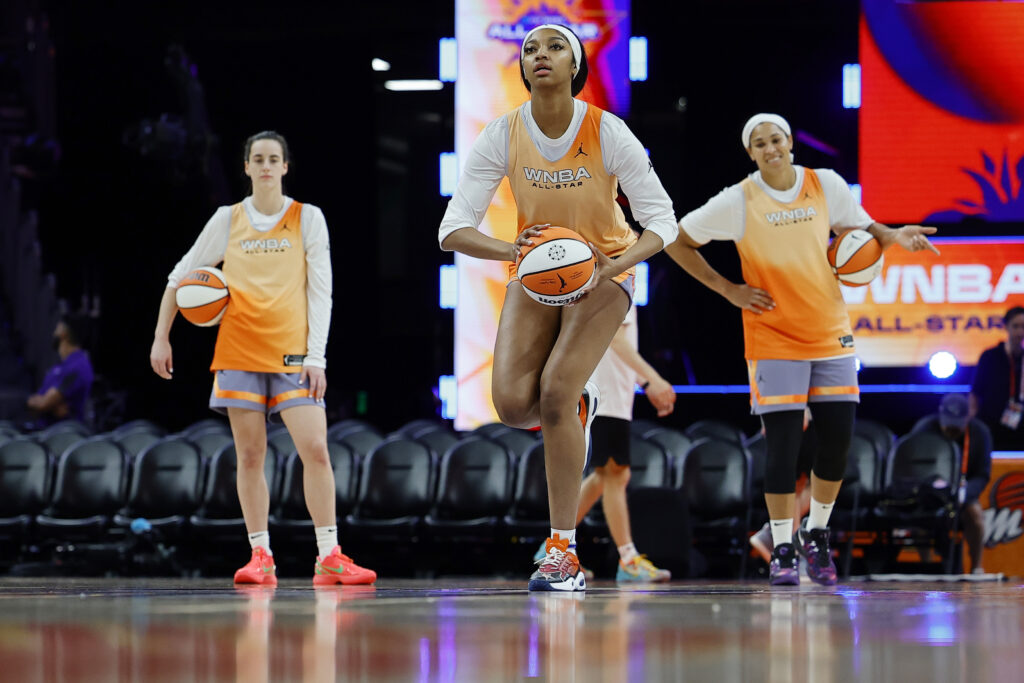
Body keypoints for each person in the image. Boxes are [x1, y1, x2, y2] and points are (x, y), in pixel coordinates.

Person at [438, 25, 678, 591]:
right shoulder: (501, 132)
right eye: (530, 50)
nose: (540, 55)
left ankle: (563, 553)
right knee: (510, 404)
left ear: (576, 65)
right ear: (521, 69)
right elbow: (451, 230)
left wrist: (611, 266)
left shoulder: (606, 129)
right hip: (536, 272)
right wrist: (513, 249)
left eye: (554, 47)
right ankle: (581, 400)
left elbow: (662, 223)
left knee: (554, 394)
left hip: (604, 271)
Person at [664, 113, 939, 586]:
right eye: (760, 143)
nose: (770, 148)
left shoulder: (825, 184)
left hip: (830, 331)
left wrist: (894, 237)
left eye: (776, 139)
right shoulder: (738, 201)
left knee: (836, 443)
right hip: (772, 336)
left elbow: (867, 229)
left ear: (790, 142)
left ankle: (817, 534)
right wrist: (728, 289)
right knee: (785, 450)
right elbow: (677, 240)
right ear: (750, 153)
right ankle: (783, 546)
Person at [150, 131, 375, 586]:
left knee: (315, 450)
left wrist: (318, 357)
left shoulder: (307, 217)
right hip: (238, 350)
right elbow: (179, 276)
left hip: (294, 354)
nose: (267, 165)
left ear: (286, 167)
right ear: (247, 167)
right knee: (250, 456)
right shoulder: (227, 219)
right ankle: (260, 555)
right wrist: (161, 337)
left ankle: (329, 555)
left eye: (274, 158)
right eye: (258, 158)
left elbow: (322, 291)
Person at [534, 304, 676, 581]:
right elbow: (615, 339)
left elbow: (618, 347)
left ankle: (553, 548)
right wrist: (651, 380)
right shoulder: (616, 279)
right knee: (615, 474)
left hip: (614, 396)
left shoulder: (620, 281)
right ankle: (628, 559)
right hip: (605, 395)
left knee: (604, 476)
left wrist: (641, 381)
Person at [913, 393, 993, 574]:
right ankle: (926, 565)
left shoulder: (980, 433)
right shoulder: (924, 428)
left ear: (968, 418)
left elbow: (982, 473)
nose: (951, 429)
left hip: (962, 492)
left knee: (976, 516)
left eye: (957, 424)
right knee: (917, 516)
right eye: (948, 422)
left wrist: (966, 493)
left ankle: (976, 568)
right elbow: (913, 466)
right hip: (929, 492)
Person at [748, 408, 815, 564]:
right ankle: (790, 552)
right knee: (796, 480)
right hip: (794, 407)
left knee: (812, 479)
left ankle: (775, 536)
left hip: (819, 406)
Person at [25, 314, 95, 429]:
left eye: (57, 328)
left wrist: (41, 403)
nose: (53, 333)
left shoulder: (78, 366)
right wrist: (42, 404)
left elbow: (43, 404)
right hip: (45, 431)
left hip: (64, 436)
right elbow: (39, 406)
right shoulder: (60, 366)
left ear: (64, 333)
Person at [970, 306, 1024, 451]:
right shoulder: (990, 356)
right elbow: (975, 393)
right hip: (992, 428)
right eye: (1016, 326)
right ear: (1006, 327)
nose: (1020, 332)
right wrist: (973, 425)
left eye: (1023, 327)